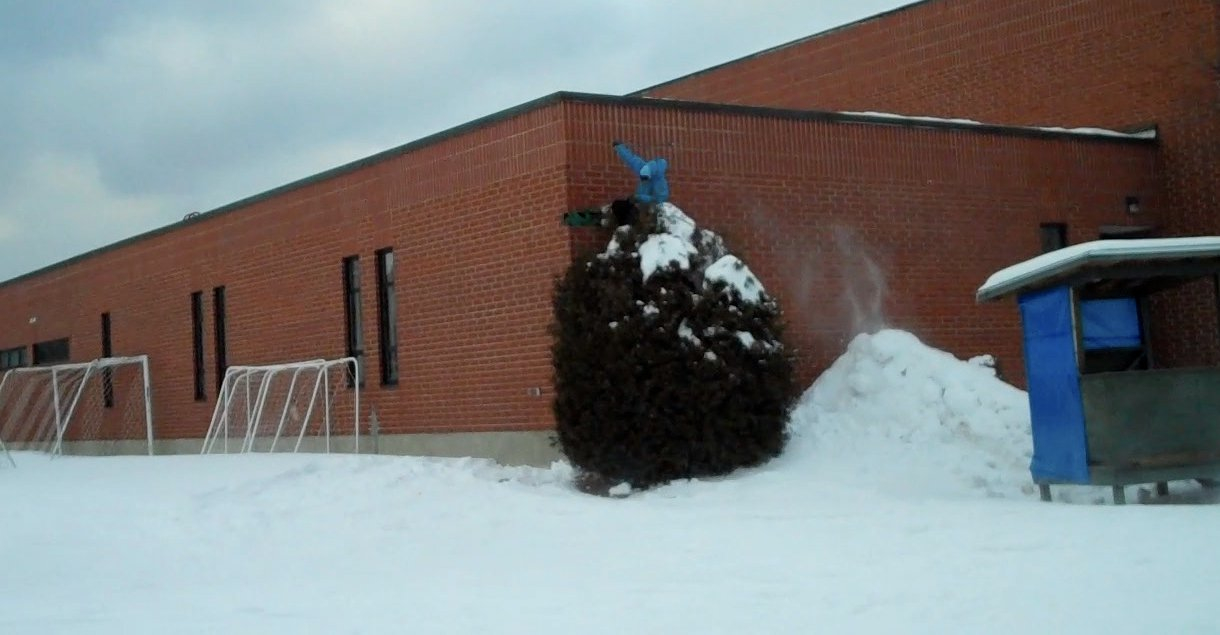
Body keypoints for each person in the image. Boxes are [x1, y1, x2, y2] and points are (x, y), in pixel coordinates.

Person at [609, 141, 669, 226]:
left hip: (647, 209)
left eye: (644, 179)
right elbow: (631, 160)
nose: (643, 180)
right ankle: (623, 227)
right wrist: (619, 148)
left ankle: (627, 227)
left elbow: (658, 200)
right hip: (638, 203)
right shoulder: (644, 168)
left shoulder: (660, 183)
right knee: (617, 205)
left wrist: (639, 197)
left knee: (626, 211)